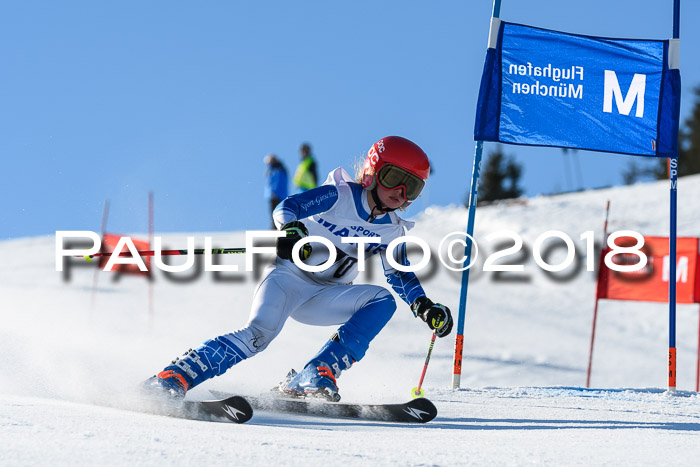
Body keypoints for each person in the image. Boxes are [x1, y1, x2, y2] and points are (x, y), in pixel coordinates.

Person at [145, 136, 453, 402]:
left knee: (381, 301)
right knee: (258, 336)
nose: (400, 192)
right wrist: (291, 230)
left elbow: (398, 273)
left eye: (411, 187)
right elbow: (287, 207)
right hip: (288, 279)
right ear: (372, 171)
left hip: (327, 296)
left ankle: (315, 374)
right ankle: (174, 376)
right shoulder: (340, 194)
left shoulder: (392, 230)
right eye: (393, 178)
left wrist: (423, 306)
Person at [264, 154, 288, 227]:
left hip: (277, 196)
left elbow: (278, 182)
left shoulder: (278, 169)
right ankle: (274, 226)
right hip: (273, 195)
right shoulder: (272, 170)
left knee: (277, 212)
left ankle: (276, 227)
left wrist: (274, 193)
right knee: (273, 212)